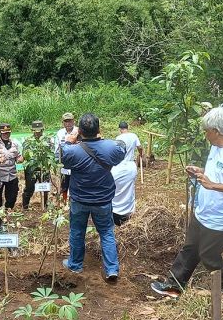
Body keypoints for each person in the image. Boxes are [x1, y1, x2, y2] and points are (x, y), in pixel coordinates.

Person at [151, 107, 223, 298]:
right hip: (203, 211)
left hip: (221, 218)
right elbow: (217, 174)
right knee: (190, 248)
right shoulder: (216, 147)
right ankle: (174, 285)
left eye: (207, 131)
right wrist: (200, 172)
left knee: (208, 256)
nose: (205, 134)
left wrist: (212, 185)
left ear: (216, 131)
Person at [61, 113, 126, 282]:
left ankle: (75, 265)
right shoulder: (111, 148)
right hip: (103, 200)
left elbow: (63, 155)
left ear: (79, 131)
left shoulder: (72, 151)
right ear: (98, 129)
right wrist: (103, 139)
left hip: (79, 200)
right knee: (106, 233)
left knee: (77, 232)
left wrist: (70, 140)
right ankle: (111, 269)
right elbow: (122, 146)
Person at [111, 121, 142, 225]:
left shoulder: (118, 138)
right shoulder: (134, 135)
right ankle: (128, 212)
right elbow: (140, 147)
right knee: (130, 188)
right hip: (130, 166)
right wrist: (142, 155)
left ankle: (116, 212)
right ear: (127, 128)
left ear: (120, 129)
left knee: (116, 188)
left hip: (118, 166)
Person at [0, 123, 24, 209]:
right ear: (0, 133)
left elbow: (18, 157)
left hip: (11, 175)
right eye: (4, 133)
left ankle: (9, 210)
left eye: (8, 133)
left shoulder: (14, 144)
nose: (6, 135)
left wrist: (20, 159)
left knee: (12, 197)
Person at [21, 121, 53, 210]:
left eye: (39, 131)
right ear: (32, 130)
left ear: (43, 130)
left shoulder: (47, 140)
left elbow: (50, 153)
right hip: (31, 169)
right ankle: (25, 207)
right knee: (29, 189)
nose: (38, 133)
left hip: (44, 168)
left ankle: (45, 206)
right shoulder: (28, 141)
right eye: (36, 131)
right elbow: (25, 155)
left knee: (45, 188)